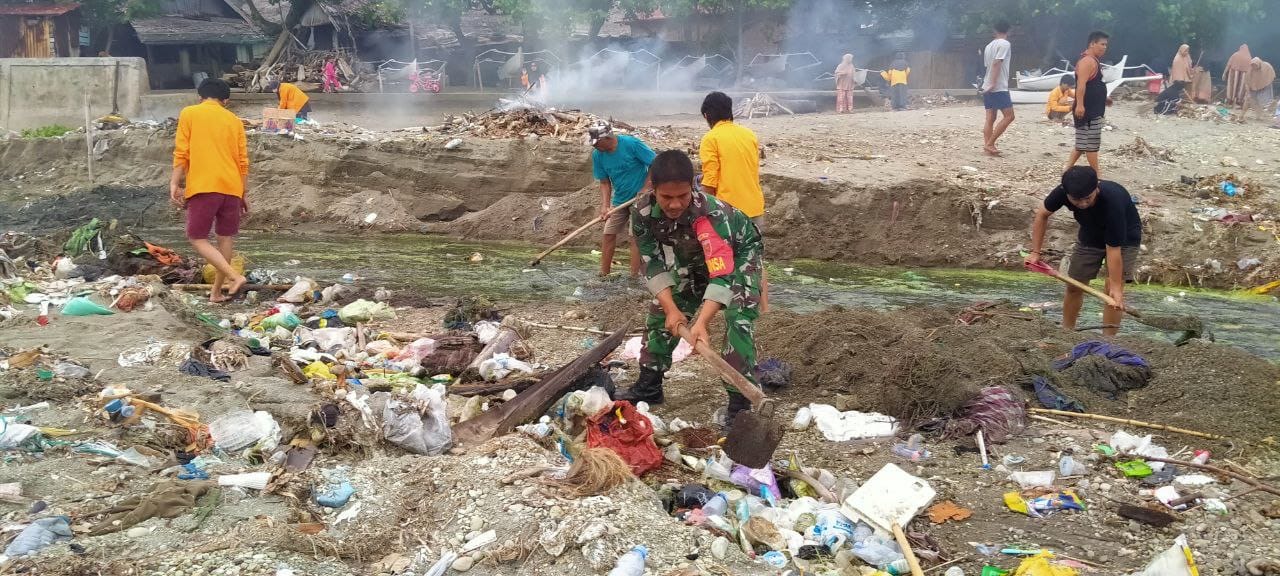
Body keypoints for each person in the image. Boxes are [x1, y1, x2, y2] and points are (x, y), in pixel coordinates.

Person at [614, 150, 764, 427]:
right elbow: (653, 264)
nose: (674, 204)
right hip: (692, 257)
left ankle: (739, 403)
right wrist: (673, 310)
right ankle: (649, 386)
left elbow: (722, 274)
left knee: (738, 320)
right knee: (661, 314)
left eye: (682, 196)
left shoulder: (710, 214)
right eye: (666, 197)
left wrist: (702, 323)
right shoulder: (642, 211)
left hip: (738, 258)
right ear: (653, 189)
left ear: (692, 187)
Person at [1026, 166, 1140, 337]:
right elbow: (1042, 215)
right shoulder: (1062, 192)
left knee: (1112, 292)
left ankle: (1108, 341)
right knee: (1074, 285)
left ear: (1097, 188)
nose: (1082, 204)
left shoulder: (1113, 202)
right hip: (1090, 233)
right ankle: (1066, 332)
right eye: (1076, 200)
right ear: (1067, 193)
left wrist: (1116, 287)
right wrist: (1035, 252)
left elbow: (1113, 249)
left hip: (1125, 237)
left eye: (1088, 198)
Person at [171, 78, 250, 303]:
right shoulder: (234, 121)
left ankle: (234, 277)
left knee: (196, 237)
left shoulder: (190, 113)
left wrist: (174, 183)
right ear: (225, 100)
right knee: (225, 238)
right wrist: (243, 193)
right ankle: (216, 292)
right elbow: (243, 161)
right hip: (232, 188)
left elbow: (181, 151)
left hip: (205, 186)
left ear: (201, 96)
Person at [698, 91, 768, 312]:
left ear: (707, 115)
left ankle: (723, 308)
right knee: (754, 261)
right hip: (754, 206)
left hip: (727, 211)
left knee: (721, 261)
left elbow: (710, 180)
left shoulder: (711, 138)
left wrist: (698, 208)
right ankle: (764, 310)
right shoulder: (749, 135)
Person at [590, 121, 656, 278]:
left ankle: (634, 276)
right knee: (608, 233)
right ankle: (604, 274)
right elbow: (604, 182)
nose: (595, 146)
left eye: (597, 142)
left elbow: (655, 163)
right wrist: (605, 206)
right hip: (620, 200)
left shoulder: (631, 144)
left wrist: (646, 187)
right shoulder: (597, 155)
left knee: (634, 237)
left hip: (640, 199)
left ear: (607, 137)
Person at [1067, 31, 1110, 175]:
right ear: (1092, 44)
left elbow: (1095, 84)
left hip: (1092, 108)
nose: (1105, 47)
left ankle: (1067, 168)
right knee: (1091, 143)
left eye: (1106, 45)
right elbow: (1081, 85)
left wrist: (1104, 98)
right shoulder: (1087, 61)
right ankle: (1096, 173)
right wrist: (1080, 105)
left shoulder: (1094, 60)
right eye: (1102, 44)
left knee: (1081, 143)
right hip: (1087, 110)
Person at [981, 21, 1015, 156]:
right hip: (998, 86)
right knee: (1009, 116)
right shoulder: (1004, 44)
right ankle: (990, 144)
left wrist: (989, 83)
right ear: (1009, 30)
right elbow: (996, 63)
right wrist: (993, 83)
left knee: (990, 117)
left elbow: (987, 66)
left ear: (994, 30)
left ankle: (988, 146)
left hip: (987, 84)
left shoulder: (989, 46)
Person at [1241, 57, 1275, 123]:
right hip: (1253, 88)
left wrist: (1265, 84)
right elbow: (1247, 82)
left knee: (1259, 102)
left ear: (1259, 64)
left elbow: (1271, 75)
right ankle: (1242, 114)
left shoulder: (1266, 67)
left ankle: (1258, 116)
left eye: (1255, 65)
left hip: (1263, 88)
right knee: (1248, 100)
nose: (1254, 66)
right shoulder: (1250, 70)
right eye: (1252, 65)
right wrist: (1248, 93)